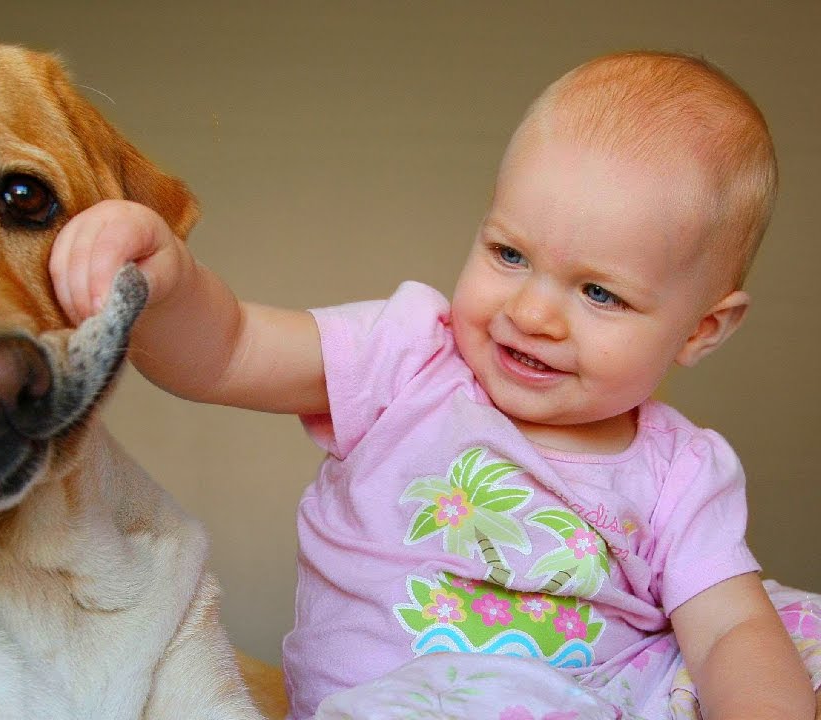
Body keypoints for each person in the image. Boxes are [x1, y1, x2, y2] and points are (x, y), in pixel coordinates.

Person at [49, 51, 821, 719]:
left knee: (788, 636)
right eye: (510, 255)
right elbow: (228, 350)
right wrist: (166, 282)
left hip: (609, 701)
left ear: (699, 330)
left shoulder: (678, 471)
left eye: (599, 294)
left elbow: (727, 630)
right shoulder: (408, 355)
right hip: (400, 703)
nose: (532, 313)